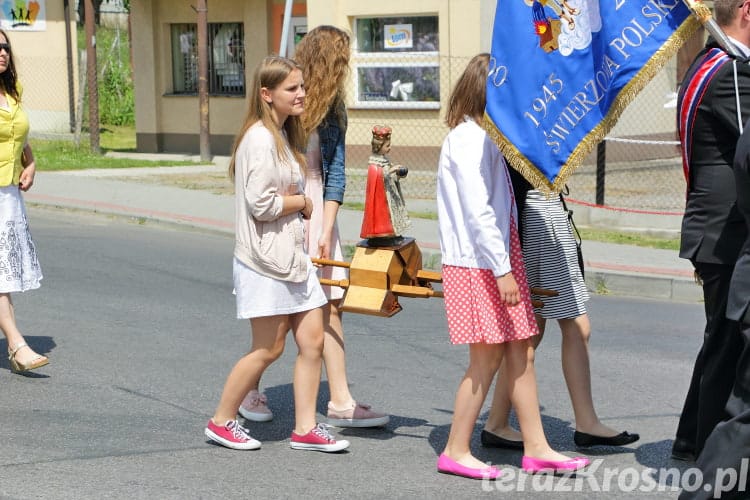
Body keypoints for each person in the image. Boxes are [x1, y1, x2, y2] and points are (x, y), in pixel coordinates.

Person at [435, 53, 589, 480]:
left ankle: (537, 447)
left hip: (497, 259)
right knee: (485, 360)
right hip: (481, 263)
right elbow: (478, 211)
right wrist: (502, 269)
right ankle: (455, 449)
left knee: (520, 352)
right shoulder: (469, 139)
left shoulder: (484, 137)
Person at [237, 26, 388, 429]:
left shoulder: (334, 108)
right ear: (331, 61)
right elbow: (262, 175)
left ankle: (340, 400)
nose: (347, 68)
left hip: (319, 208)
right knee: (280, 311)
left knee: (331, 305)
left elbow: (336, 173)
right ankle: (249, 390)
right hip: (291, 204)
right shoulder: (285, 98)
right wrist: (300, 206)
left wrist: (328, 226)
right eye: (343, 59)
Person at [204, 55, 348, 452]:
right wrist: (301, 201)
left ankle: (305, 428)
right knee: (268, 348)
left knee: (313, 341)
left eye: (302, 86)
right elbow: (261, 204)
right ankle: (221, 420)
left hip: (292, 260)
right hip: (264, 262)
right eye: (292, 89)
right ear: (267, 94)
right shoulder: (260, 139)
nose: (302, 94)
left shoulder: (283, 134)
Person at [481, 175, 639, 450]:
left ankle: (499, 423)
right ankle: (502, 424)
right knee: (552, 330)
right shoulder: (516, 134)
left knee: (539, 333)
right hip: (537, 215)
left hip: (545, 210)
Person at [672, 0, 750, 462]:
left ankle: (689, 438)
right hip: (726, 229)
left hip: (714, 225)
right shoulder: (733, 74)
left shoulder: (707, 61)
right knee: (727, 344)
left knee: (718, 339)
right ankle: (709, 452)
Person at [678, 107, 750, 500]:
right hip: (724, 246)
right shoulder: (728, 76)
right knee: (741, 409)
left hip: (730, 251)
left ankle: (692, 441)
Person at [0, 29, 47, 374]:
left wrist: (29, 162)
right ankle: (16, 344)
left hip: (9, 193)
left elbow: (21, 135)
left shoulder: (12, 93)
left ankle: (16, 347)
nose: (1, 52)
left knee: (4, 270)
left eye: (4, 47)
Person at [360, 125, 410, 242]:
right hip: (381, 199)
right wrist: (391, 170)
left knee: (392, 214)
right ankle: (382, 235)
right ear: (379, 147)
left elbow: (387, 175)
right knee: (384, 216)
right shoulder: (374, 163)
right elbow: (377, 177)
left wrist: (397, 174)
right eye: (387, 146)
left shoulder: (384, 160)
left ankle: (392, 233)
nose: (390, 148)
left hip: (389, 194)